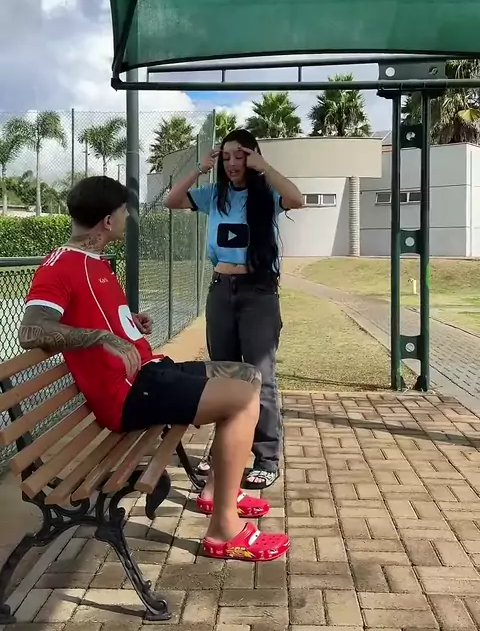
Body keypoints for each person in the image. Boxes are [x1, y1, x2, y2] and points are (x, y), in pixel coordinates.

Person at [18, 176, 290, 563]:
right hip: (128, 396)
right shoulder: (61, 265)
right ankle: (224, 531)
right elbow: (31, 330)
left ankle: (217, 491)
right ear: (108, 221)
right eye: (124, 212)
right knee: (244, 400)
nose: (127, 219)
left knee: (247, 375)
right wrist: (101, 337)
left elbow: (93, 315)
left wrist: (127, 323)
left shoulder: (93, 261)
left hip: (149, 374)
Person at [165, 129, 303, 489]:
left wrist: (265, 166)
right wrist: (200, 168)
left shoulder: (267, 194)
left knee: (260, 375)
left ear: (252, 156)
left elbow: (297, 198)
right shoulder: (214, 195)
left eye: (239, 155)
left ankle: (266, 458)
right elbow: (171, 201)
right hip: (221, 290)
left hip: (258, 292)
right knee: (224, 377)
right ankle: (223, 452)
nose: (232, 163)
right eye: (226, 157)